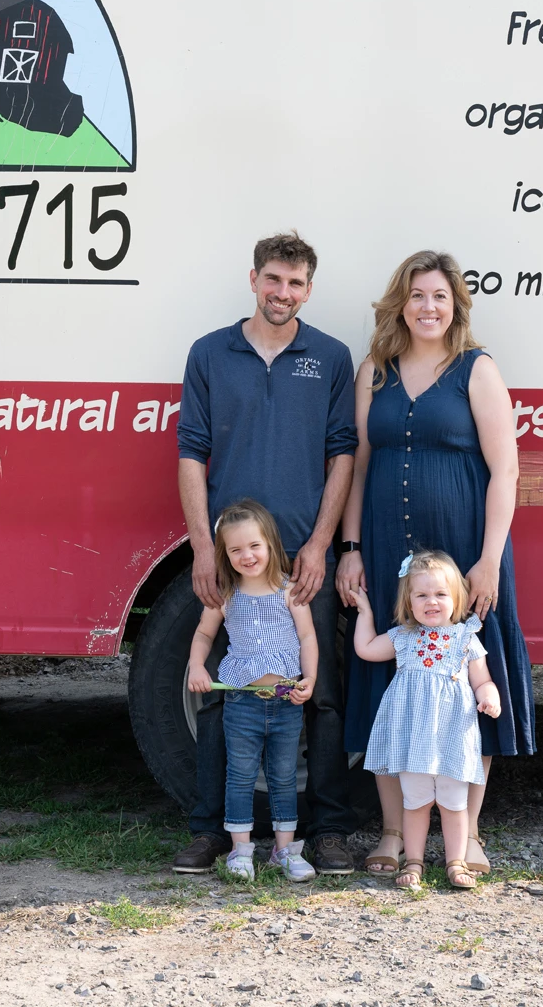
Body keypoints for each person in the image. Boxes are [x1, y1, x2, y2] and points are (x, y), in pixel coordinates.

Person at [337, 249, 535, 878]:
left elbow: (505, 469)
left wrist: (489, 561)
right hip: (386, 549)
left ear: (456, 308)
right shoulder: (375, 371)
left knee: (467, 691)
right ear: (402, 302)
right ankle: (394, 833)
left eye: (440, 297)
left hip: (463, 558)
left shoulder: (477, 369)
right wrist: (350, 550)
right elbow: (360, 466)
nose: (428, 307)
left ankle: (467, 835)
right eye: (418, 295)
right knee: (388, 690)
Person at [172, 232, 361, 877]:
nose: (284, 294)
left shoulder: (331, 357)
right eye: (274, 280)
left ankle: (329, 830)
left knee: (322, 693)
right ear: (253, 279)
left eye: (297, 284)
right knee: (228, 693)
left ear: (309, 289)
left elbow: (343, 453)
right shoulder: (209, 354)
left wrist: (319, 544)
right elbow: (191, 452)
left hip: (305, 559)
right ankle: (211, 832)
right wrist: (203, 549)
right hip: (235, 563)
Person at [185, 500, 320, 882]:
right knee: (241, 775)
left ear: (271, 544)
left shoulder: (290, 591)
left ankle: (284, 851)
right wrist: (197, 665)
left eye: (254, 546)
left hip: (285, 701)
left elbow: (307, 637)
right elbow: (203, 633)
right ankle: (240, 851)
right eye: (236, 549)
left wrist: (309, 679)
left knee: (282, 776)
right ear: (224, 555)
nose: (247, 555)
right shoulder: (227, 595)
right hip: (241, 703)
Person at [350, 549, 500, 890]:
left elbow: (482, 679)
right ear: (409, 601)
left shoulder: (465, 637)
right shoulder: (404, 636)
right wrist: (365, 612)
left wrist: (490, 696)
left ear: (456, 598)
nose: (431, 602)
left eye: (440, 594)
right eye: (422, 595)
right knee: (415, 802)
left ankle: (456, 861)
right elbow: (366, 649)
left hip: (451, 736)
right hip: (413, 738)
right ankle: (414, 861)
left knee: (453, 803)